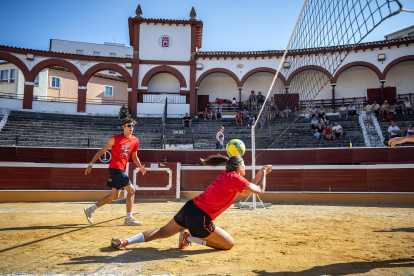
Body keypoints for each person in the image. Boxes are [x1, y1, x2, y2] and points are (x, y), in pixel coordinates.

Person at [110, 155, 273, 250]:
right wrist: (264, 173)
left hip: (190, 208)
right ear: (239, 168)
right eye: (244, 166)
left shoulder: (227, 176)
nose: (245, 168)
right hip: (200, 219)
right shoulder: (236, 178)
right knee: (228, 244)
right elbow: (260, 191)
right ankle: (189, 238)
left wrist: (259, 174)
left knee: (161, 232)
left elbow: (245, 191)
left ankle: (126, 241)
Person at [84, 118, 147, 226]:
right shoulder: (115, 139)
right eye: (129, 125)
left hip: (120, 169)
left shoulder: (135, 140)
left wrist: (140, 166)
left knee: (114, 195)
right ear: (123, 126)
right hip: (115, 169)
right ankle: (129, 218)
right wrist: (91, 164)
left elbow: (134, 156)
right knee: (131, 191)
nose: (131, 128)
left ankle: (90, 209)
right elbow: (102, 150)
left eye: (132, 126)